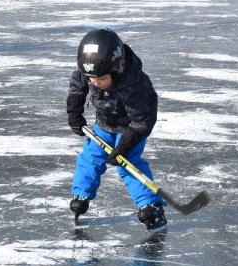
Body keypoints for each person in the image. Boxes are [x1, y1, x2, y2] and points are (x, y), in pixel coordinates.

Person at [66, 28, 167, 233]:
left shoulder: (136, 86)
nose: (94, 82)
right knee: (90, 158)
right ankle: (81, 194)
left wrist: (124, 145)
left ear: (117, 67)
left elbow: (143, 121)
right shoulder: (92, 73)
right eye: (91, 77)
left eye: (101, 78)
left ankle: (150, 205)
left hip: (130, 130)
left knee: (128, 165)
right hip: (103, 125)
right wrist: (74, 113)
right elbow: (78, 86)